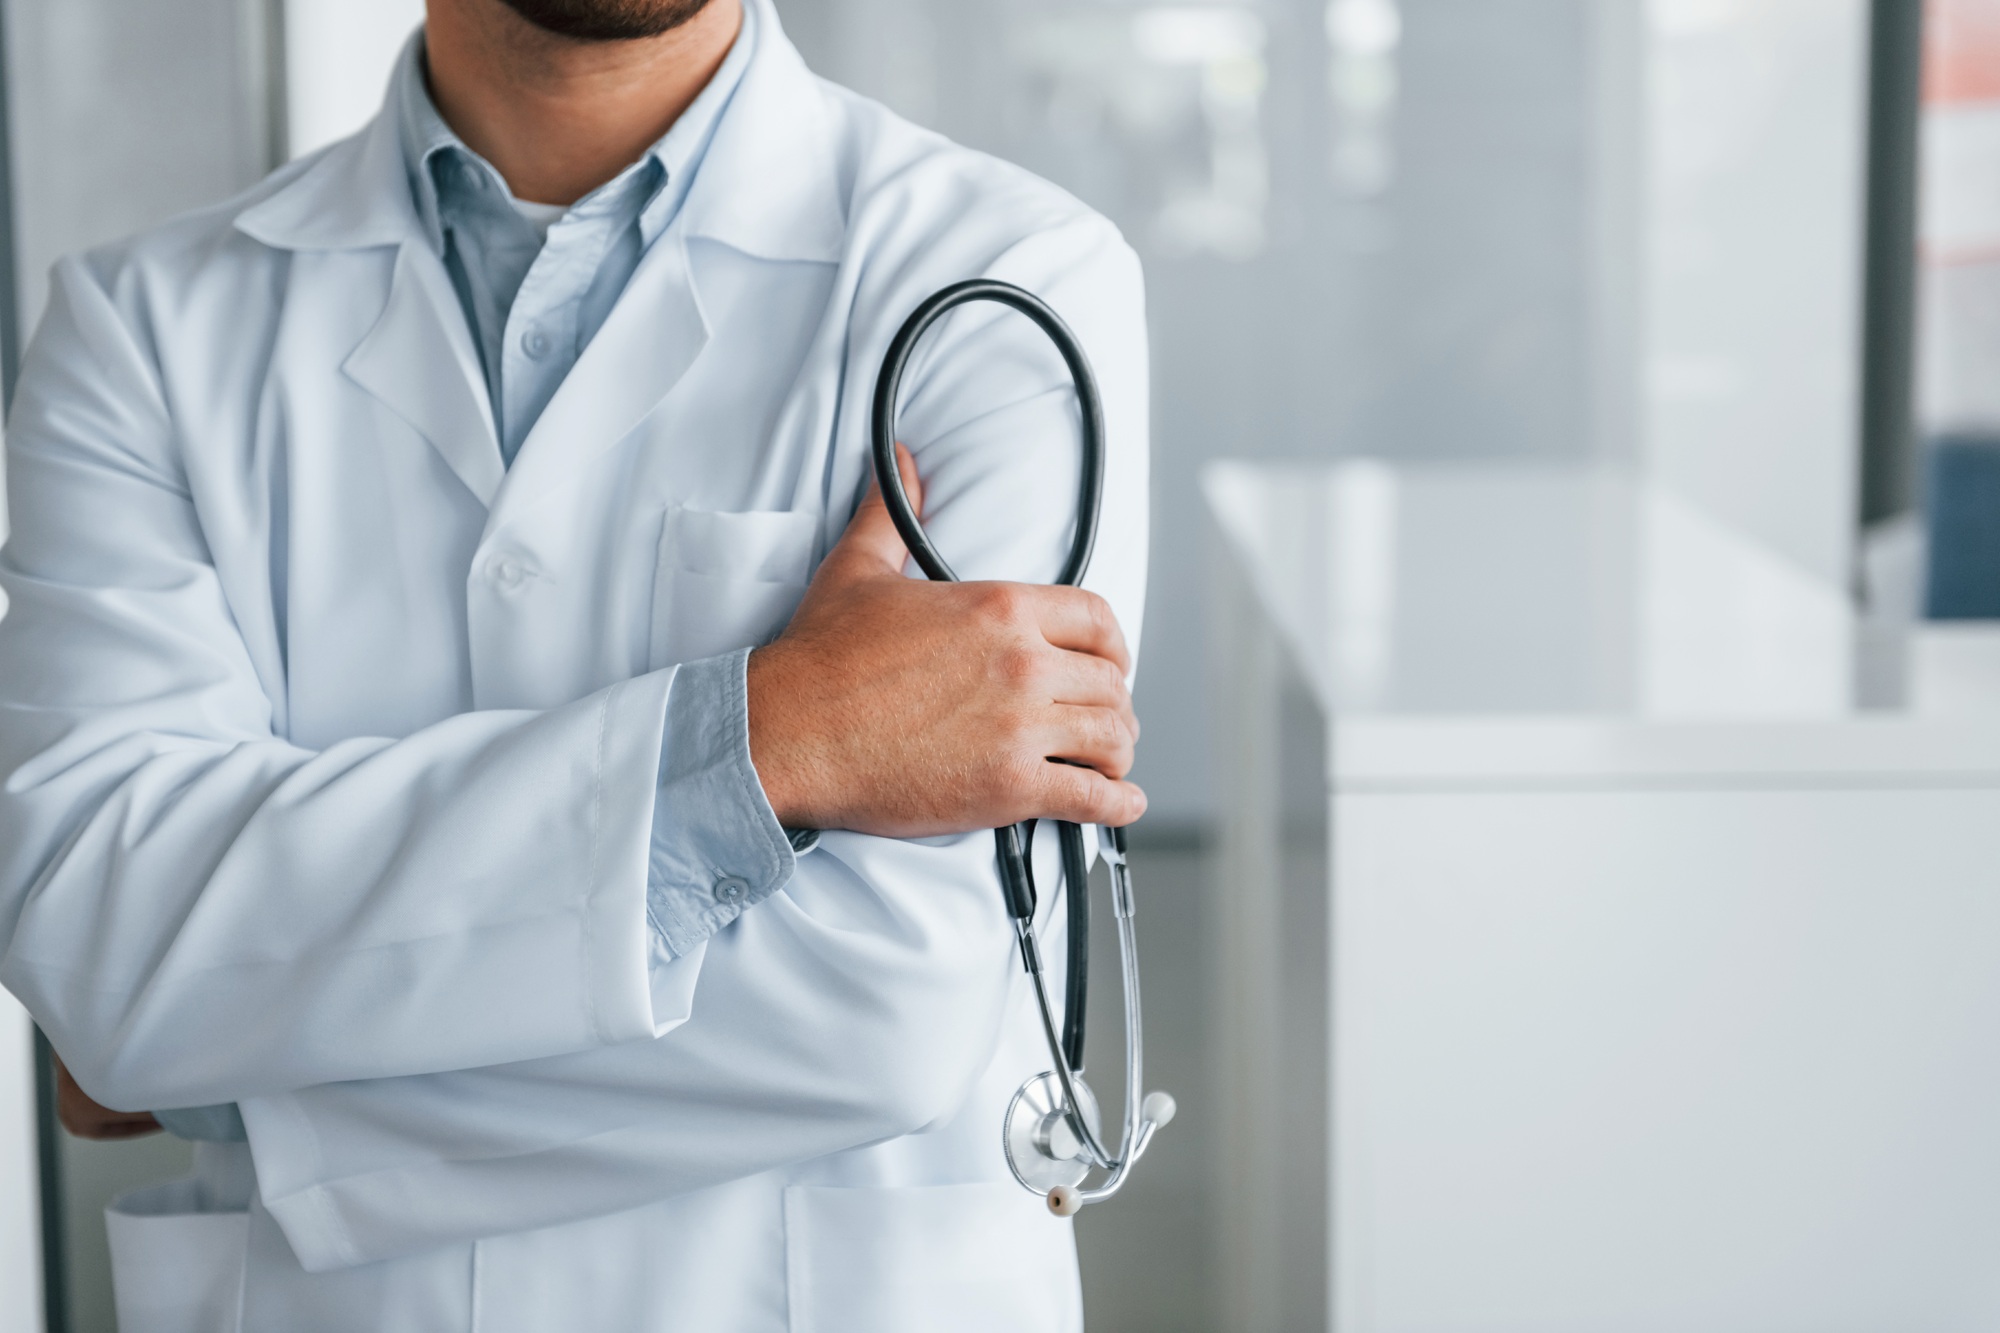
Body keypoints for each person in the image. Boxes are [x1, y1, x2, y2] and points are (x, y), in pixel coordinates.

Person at [0, 0, 1148, 1326]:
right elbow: (104, 921)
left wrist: (223, 1047)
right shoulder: (134, 335)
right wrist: (766, 740)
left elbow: (890, 1004)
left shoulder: (1007, 289)